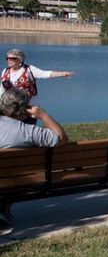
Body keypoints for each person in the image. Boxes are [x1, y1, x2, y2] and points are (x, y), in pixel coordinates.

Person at [0, 88, 69, 234]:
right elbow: (62, 139)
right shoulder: (29, 132)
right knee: (12, 174)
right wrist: (43, 115)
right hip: (16, 181)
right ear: (24, 109)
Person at [2, 48, 74, 123]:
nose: (9, 60)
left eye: (12, 58)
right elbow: (2, 89)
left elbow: (46, 74)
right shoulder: (5, 71)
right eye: (7, 58)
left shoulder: (29, 70)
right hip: (11, 108)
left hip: (29, 108)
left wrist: (62, 74)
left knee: (28, 132)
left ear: (20, 59)